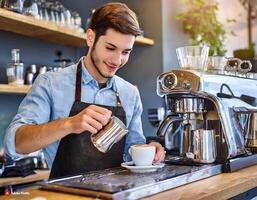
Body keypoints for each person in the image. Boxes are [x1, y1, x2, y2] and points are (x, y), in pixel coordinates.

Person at [3, 2, 165, 178]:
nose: (117, 60)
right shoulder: (50, 83)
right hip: (66, 195)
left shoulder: (130, 93)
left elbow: (132, 151)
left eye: (126, 52)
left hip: (117, 193)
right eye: (110, 48)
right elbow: (15, 144)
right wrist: (70, 124)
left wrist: (150, 150)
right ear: (90, 38)